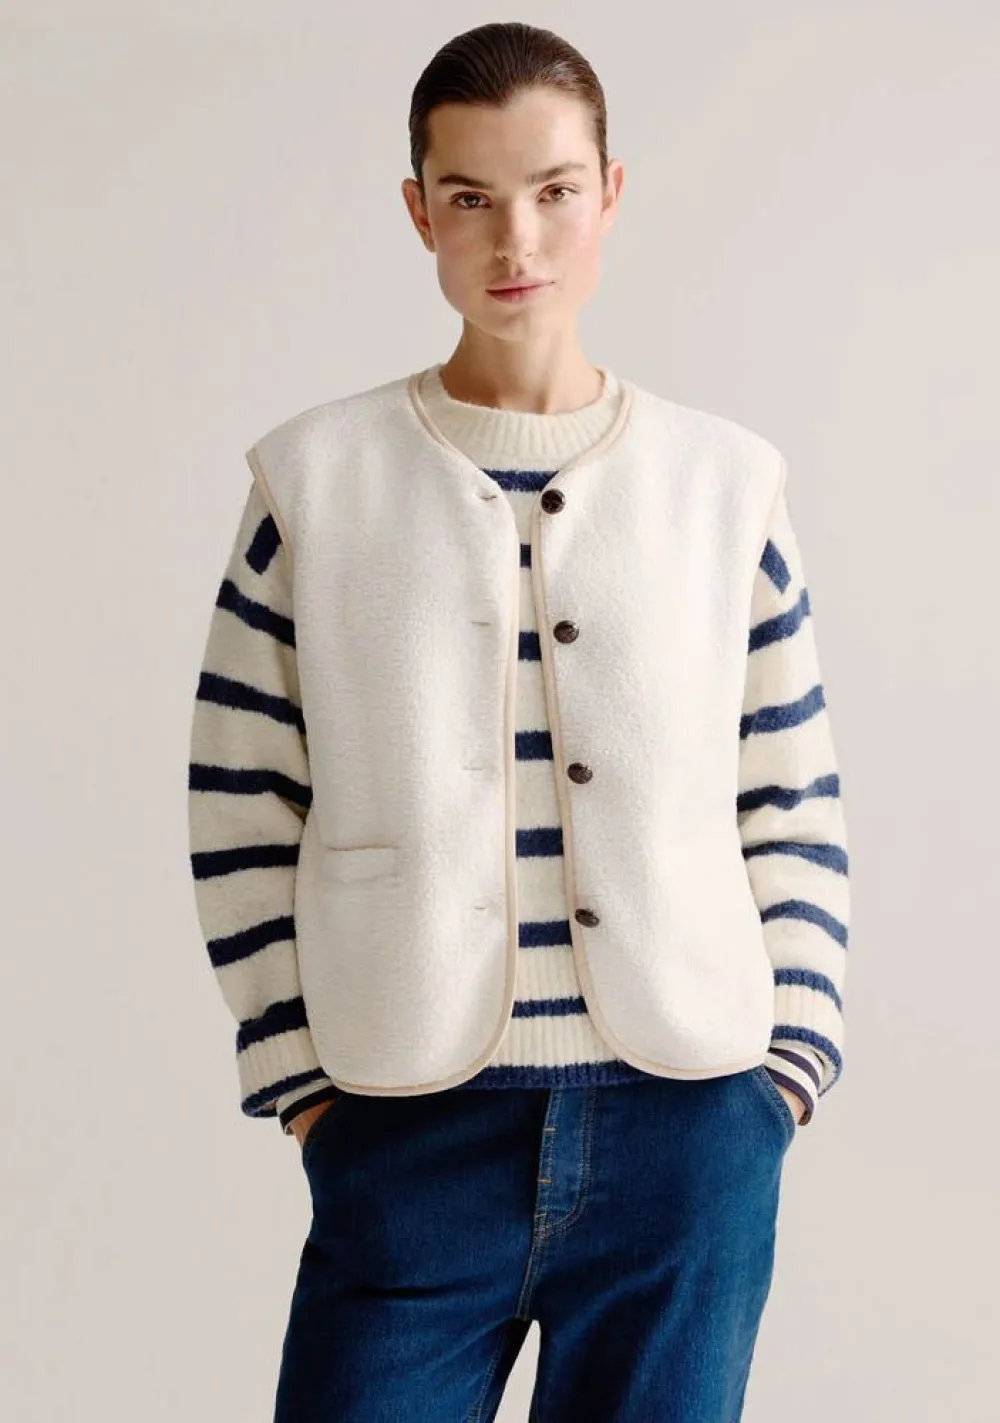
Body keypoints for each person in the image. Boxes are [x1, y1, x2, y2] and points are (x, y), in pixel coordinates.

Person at [187, 20, 850, 1422]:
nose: (517, 238)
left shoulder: (725, 484)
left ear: (611, 193)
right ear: (418, 209)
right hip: (406, 1125)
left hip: (689, 1125)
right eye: (472, 196)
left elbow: (790, 795)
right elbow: (242, 798)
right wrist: (302, 1084)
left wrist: (785, 1074)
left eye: (554, 190)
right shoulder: (315, 482)